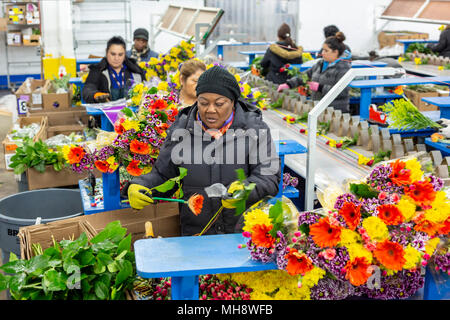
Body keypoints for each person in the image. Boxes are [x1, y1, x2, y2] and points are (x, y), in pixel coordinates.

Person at [126, 66, 281, 236]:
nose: (211, 110)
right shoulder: (182, 130)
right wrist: (140, 185)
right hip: (197, 235)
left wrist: (246, 190)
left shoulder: (255, 130)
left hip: (242, 234)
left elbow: (268, 178)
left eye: (219, 103)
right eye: (203, 102)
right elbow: (164, 175)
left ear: (233, 102)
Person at [277, 32, 352, 113]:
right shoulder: (320, 64)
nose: (322, 53)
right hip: (318, 109)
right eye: (323, 49)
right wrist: (289, 84)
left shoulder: (343, 68)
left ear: (335, 52)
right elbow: (305, 76)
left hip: (334, 112)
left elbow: (342, 91)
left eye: (326, 50)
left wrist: (320, 87)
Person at [82, 36, 146, 103]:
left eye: (120, 55)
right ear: (106, 52)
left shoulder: (136, 71)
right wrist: (96, 95)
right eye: (113, 54)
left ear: (125, 54)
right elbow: (87, 89)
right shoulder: (97, 70)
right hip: (105, 112)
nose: (116, 58)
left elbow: (146, 89)